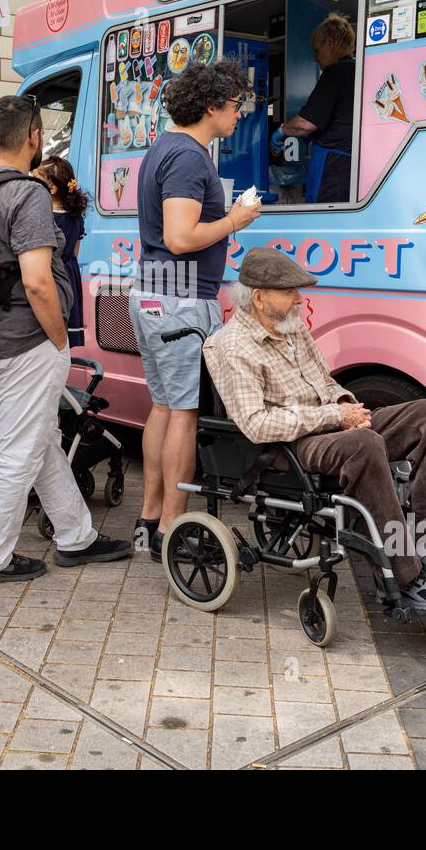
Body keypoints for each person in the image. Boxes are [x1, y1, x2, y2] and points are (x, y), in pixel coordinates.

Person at [204, 247, 426, 611]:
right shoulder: (232, 345)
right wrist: (334, 418)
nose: (300, 299)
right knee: (363, 444)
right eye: (289, 292)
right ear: (259, 296)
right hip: (289, 445)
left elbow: (325, 383)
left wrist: (344, 403)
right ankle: (404, 576)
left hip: (330, 424)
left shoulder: (291, 326)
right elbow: (256, 424)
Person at [0, 95, 130, 583]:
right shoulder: (28, 194)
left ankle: (77, 537)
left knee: (39, 440)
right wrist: (58, 339)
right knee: (19, 447)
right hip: (26, 341)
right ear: (34, 137)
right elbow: (36, 279)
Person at [130, 58, 260, 561]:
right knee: (182, 411)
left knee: (162, 406)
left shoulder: (163, 147)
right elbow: (180, 237)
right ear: (211, 106)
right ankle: (171, 528)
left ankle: (148, 520)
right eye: (234, 107)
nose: (238, 117)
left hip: (155, 292)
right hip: (182, 297)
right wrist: (234, 219)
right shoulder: (189, 157)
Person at [273, 14, 357, 204]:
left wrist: (281, 131)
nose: (315, 58)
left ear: (330, 43)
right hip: (349, 168)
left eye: (317, 51)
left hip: (333, 168)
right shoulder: (358, 70)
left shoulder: (335, 72)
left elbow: (306, 123)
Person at [34, 155, 87, 349]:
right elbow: (75, 252)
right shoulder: (76, 216)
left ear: (52, 188)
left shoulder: (45, 215)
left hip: (51, 275)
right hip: (70, 275)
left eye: (35, 181)